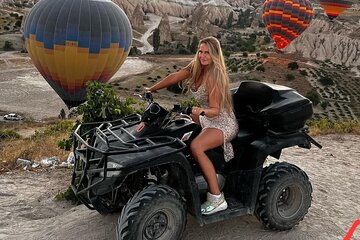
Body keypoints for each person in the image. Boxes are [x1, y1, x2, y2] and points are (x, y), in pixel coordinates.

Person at [137, 36, 239, 215]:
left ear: (215, 54)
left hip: (222, 122)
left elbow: (215, 110)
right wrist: (152, 89)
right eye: (200, 51)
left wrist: (196, 109)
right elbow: (174, 76)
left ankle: (216, 197)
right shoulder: (196, 67)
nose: (202, 55)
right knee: (178, 124)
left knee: (196, 146)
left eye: (207, 52)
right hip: (208, 118)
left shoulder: (214, 75)